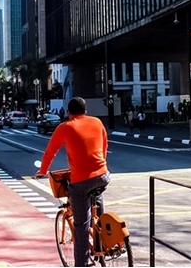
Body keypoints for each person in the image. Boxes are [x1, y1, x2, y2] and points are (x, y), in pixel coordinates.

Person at [34, 97, 109, 268]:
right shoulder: (97, 122)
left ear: (69, 113)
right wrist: (100, 167)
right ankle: (102, 238)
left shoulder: (65, 127)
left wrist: (43, 171)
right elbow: (104, 147)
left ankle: (81, 264)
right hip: (103, 175)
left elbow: (50, 152)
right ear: (86, 111)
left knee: (81, 226)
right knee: (97, 204)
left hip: (81, 181)